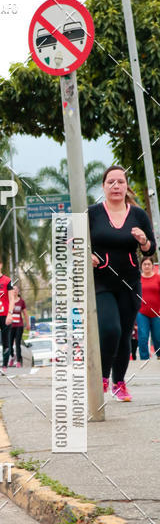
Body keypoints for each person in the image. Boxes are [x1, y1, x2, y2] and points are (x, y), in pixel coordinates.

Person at [89, 165, 156, 401]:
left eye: (120, 182)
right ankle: (103, 377)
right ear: (103, 186)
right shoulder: (92, 213)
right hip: (101, 283)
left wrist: (143, 240)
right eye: (111, 182)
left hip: (130, 283)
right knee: (110, 330)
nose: (116, 186)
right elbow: (72, 241)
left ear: (126, 186)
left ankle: (119, 382)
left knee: (125, 334)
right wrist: (88, 255)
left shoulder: (138, 215)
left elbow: (151, 248)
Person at [136, 257, 160, 360]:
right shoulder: (137, 279)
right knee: (143, 337)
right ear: (141, 266)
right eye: (144, 264)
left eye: (148, 264)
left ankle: (159, 356)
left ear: (152, 266)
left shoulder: (158, 278)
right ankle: (144, 359)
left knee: (158, 338)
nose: (146, 266)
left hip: (157, 313)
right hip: (142, 313)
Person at [8, 285, 29, 368]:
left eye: (16, 290)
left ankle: (19, 361)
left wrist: (28, 324)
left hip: (19, 325)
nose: (15, 291)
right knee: (9, 344)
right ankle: (12, 357)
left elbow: (25, 314)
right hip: (10, 326)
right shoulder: (9, 301)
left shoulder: (21, 302)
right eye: (13, 290)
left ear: (18, 291)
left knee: (17, 344)